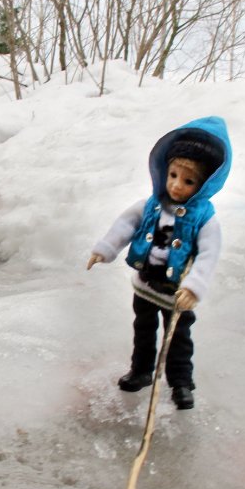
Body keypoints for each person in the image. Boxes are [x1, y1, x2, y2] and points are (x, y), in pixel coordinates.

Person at [87, 116, 232, 409]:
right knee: (143, 330)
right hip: (145, 285)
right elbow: (126, 224)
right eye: (173, 175)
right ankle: (141, 371)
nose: (177, 186)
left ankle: (181, 383)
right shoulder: (151, 204)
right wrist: (105, 248)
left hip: (176, 294)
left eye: (188, 181)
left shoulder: (204, 218)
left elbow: (208, 253)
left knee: (177, 338)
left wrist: (194, 286)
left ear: (204, 185)